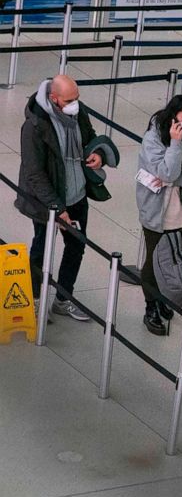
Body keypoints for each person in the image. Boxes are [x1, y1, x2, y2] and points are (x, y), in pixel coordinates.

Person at [16, 75, 106, 321]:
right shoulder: (35, 126)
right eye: (69, 100)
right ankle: (33, 300)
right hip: (47, 201)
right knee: (41, 248)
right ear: (53, 98)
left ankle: (64, 299)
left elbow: (89, 137)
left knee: (76, 247)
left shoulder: (77, 112)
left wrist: (97, 154)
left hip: (77, 195)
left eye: (77, 99)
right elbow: (35, 173)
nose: (75, 104)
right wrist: (56, 207)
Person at [136, 95, 182, 335]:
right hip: (157, 213)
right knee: (154, 261)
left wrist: (174, 178)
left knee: (180, 259)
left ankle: (165, 298)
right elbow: (165, 172)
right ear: (173, 116)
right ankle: (151, 306)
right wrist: (176, 145)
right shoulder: (153, 138)